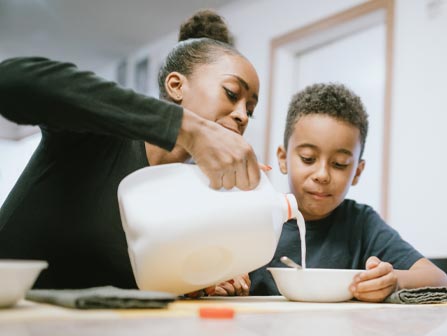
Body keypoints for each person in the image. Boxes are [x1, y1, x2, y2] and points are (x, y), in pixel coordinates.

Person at [0, 10, 259, 292]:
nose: (242, 116)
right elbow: (11, 81)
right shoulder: (98, 135)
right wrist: (184, 126)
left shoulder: (183, 198)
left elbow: (137, 284)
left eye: (250, 109)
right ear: (176, 86)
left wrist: (200, 281)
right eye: (232, 94)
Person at [249, 83, 447, 302]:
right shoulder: (254, 218)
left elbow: (439, 279)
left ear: (357, 172)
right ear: (283, 158)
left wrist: (393, 280)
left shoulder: (361, 224)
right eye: (308, 158)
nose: (322, 175)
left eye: (339, 164)